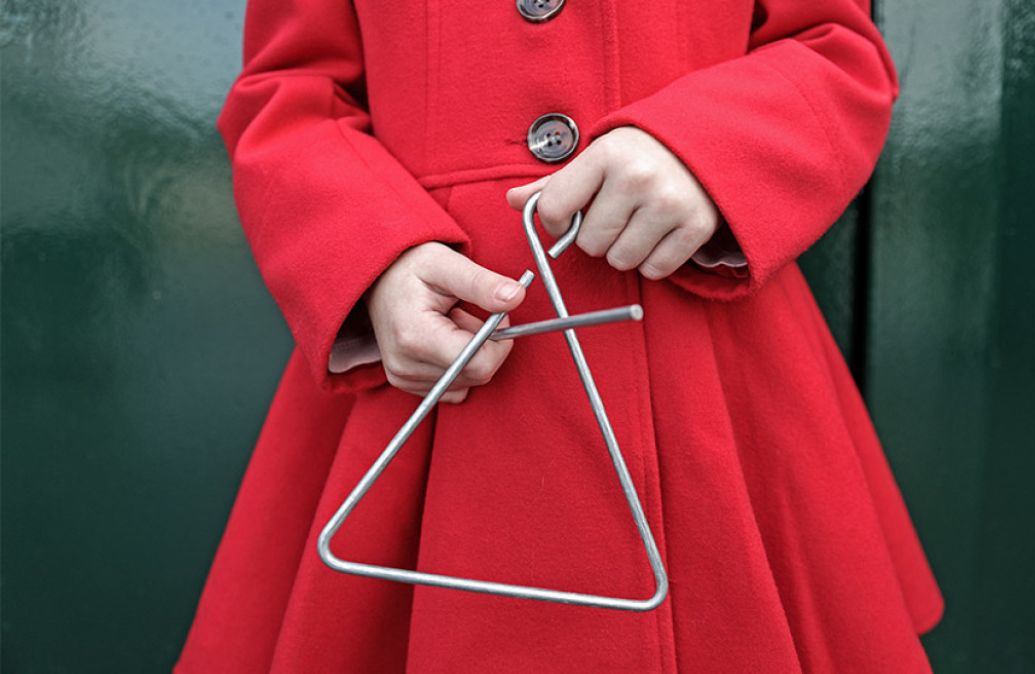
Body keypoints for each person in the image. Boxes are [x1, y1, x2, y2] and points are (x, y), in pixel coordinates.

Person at [176, 0, 943, 671]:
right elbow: (289, 91)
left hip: (705, 374)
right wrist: (367, 256)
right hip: (431, 364)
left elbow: (834, 47)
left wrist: (712, 147)